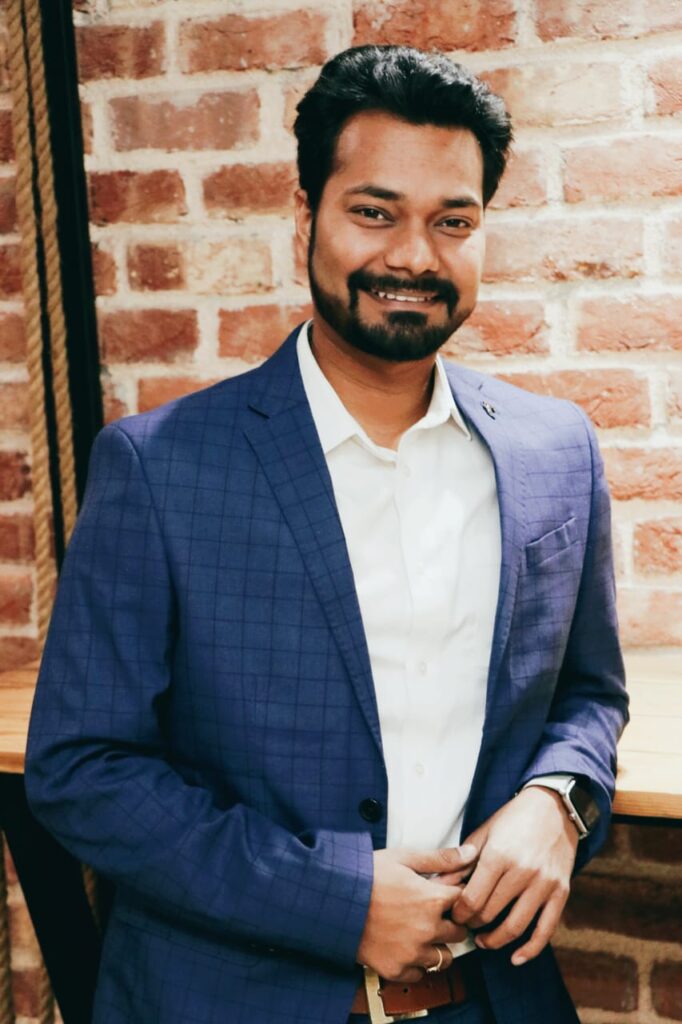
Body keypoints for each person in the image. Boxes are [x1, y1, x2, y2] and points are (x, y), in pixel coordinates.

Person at [25, 45, 628, 1024]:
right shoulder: (159, 466)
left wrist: (559, 800)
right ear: (306, 216)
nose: (414, 256)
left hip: (491, 1000)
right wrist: (334, 900)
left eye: (453, 221)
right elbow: (82, 771)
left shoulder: (554, 451)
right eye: (374, 212)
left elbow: (589, 695)